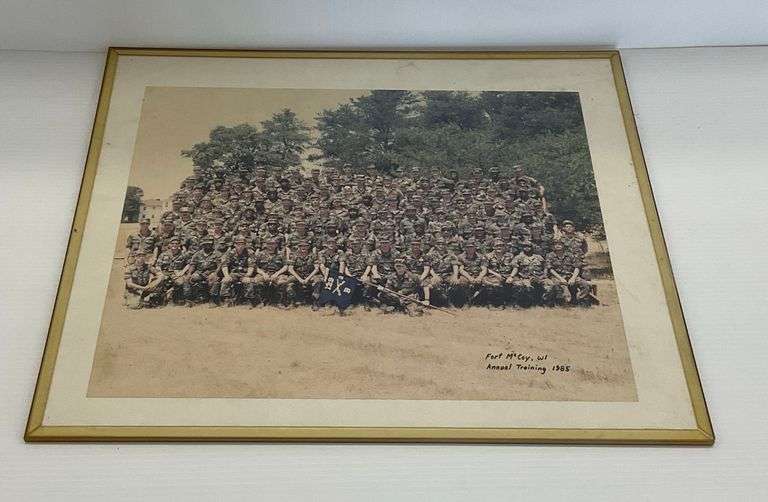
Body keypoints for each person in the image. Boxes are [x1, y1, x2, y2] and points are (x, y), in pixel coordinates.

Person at [545, 239, 592, 306]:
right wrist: (561, 279)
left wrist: (573, 278)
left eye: (560, 244)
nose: (558, 246)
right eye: (556, 244)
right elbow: (550, 269)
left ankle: (582, 302)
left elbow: (577, 267)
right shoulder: (550, 255)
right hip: (557, 276)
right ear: (553, 246)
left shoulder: (570, 255)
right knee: (557, 284)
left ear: (563, 245)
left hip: (570, 276)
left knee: (584, 284)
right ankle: (562, 302)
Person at [508, 240, 547, 307]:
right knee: (525, 287)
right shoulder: (518, 257)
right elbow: (515, 268)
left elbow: (545, 267)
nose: (527, 248)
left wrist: (544, 275)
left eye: (529, 246)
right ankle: (523, 303)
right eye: (525, 246)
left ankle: (546, 303)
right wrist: (512, 276)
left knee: (549, 285)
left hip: (539, 277)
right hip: (524, 278)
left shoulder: (539, 257)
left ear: (532, 247)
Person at [220, 235, 256, 306]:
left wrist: (247, 275)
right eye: (238, 244)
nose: (240, 246)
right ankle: (226, 299)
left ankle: (248, 300)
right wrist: (227, 275)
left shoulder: (250, 252)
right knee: (225, 280)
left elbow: (251, 266)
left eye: (242, 244)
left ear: (245, 245)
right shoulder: (230, 253)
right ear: (234, 244)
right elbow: (224, 265)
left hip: (245, 273)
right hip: (234, 273)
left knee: (248, 281)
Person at [187, 236, 222, 305]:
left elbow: (219, 266)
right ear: (203, 245)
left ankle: (213, 299)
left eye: (209, 244)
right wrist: (189, 273)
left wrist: (215, 273)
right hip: (200, 272)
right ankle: (193, 298)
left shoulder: (217, 253)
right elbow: (193, 265)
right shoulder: (197, 254)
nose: (207, 246)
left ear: (212, 244)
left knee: (214, 280)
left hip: (212, 272)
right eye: (205, 244)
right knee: (191, 278)